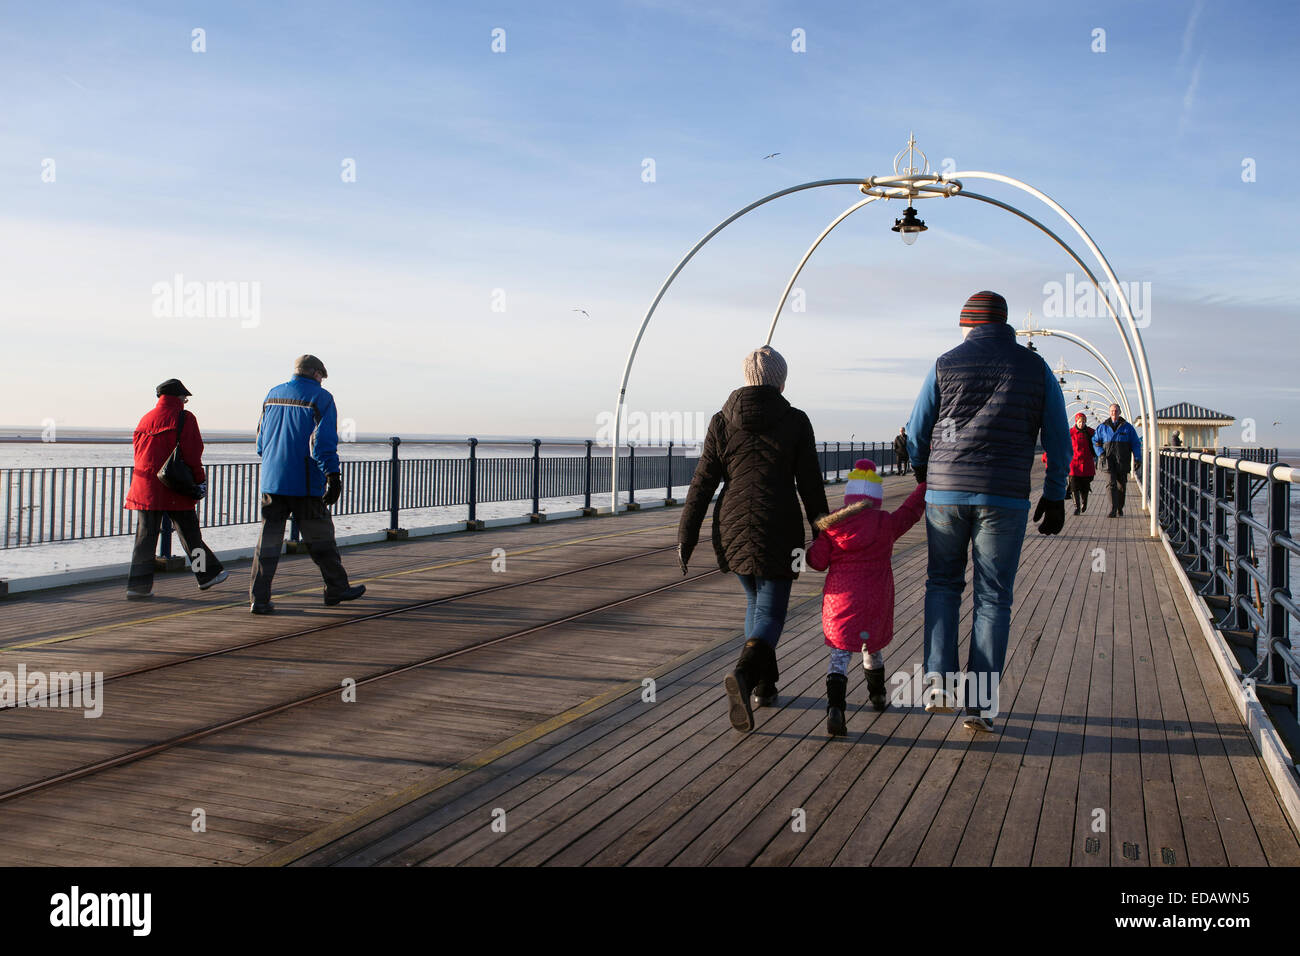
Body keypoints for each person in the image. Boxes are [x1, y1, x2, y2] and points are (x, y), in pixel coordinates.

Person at [906, 291, 1071, 734]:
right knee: (993, 597)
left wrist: (927, 472)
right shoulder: (1035, 368)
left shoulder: (944, 363)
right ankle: (979, 705)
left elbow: (918, 429)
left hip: (946, 494)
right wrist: (1055, 495)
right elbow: (1060, 436)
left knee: (942, 583)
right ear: (1005, 324)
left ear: (969, 325)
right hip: (1004, 495)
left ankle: (939, 680)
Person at [678, 345, 829, 733]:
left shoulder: (721, 420)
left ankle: (765, 685)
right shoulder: (796, 420)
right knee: (772, 613)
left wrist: (687, 534)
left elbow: (703, 481)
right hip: (779, 525)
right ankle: (745, 676)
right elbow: (810, 484)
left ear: (747, 378)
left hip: (730, 526)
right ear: (781, 380)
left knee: (754, 601)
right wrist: (822, 532)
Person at [806, 460, 926, 736]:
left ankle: (835, 708)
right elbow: (910, 512)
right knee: (872, 648)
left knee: (839, 656)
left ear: (849, 496)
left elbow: (817, 561)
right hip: (875, 599)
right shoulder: (885, 522)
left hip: (841, 601)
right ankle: (878, 695)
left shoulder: (831, 525)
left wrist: (806, 551)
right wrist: (925, 484)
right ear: (875, 498)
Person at [248, 355, 364, 613]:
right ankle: (336, 587)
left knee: (267, 541)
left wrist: (274, 463)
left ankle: (259, 598)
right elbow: (322, 444)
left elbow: (260, 441)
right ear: (315, 374)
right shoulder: (321, 398)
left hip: (272, 480)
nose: (322, 381)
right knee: (321, 537)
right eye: (321, 376)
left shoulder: (272, 394)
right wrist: (333, 476)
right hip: (304, 482)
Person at [124, 379, 228, 598]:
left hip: (145, 486)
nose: (185, 402)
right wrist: (199, 481)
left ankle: (137, 587)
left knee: (145, 538)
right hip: (174, 486)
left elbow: (138, 452)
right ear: (179, 397)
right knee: (190, 534)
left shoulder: (146, 418)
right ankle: (206, 575)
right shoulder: (184, 418)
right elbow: (192, 453)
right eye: (185, 398)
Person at [1092, 403, 1143, 518]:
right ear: (1109, 412)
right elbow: (1095, 441)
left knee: (1121, 486)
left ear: (1119, 412)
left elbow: (1135, 443)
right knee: (1110, 484)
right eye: (1112, 411)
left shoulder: (1128, 427)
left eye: (1116, 411)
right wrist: (1100, 453)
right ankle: (1112, 509)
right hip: (1108, 461)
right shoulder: (1102, 427)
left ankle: (1120, 506)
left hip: (1122, 461)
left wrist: (1138, 458)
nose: (1113, 413)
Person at [1069, 412, 1097, 514]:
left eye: (1083, 422)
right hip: (1074, 464)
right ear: (1076, 421)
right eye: (1080, 422)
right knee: (1074, 486)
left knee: (1085, 486)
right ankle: (1077, 507)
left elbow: (1099, 438)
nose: (1081, 424)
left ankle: (1084, 502)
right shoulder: (1070, 432)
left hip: (1086, 464)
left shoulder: (1090, 432)